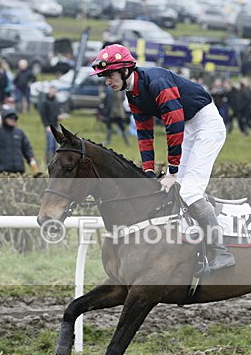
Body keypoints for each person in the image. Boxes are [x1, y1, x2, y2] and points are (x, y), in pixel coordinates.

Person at [90, 43, 235, 271]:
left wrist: (173, 171)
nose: (107, 80)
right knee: (171, 188)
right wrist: (148, 172)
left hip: (206, 126)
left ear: (126, 70)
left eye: (109, 74)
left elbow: (174, 126)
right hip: (189, 126)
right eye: (104, 76)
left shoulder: (157, 83)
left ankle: (220, 251)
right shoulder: (133, 95)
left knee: (188, 190)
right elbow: (145, 134)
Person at [0, 108, 38, 174]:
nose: (13, 120)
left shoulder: (19, 133)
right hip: (3, 171)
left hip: (19, 170)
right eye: (11, 118)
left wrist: (31, 160)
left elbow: (27, 149)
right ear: (4, 119)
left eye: (15, 118)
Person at [38, 85, 61, 166]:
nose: (53, 93)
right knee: (50, 145)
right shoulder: (45, 101)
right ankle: (48, 161)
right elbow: (43, 115)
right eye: (52, 91)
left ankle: (55, 161)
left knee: (56, 145)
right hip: (49, 126)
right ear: (49, 91)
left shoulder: (56, 101)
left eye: (55, 91)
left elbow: (57, 112)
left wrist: (59, 117)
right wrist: (46, 125)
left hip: (56, 125)